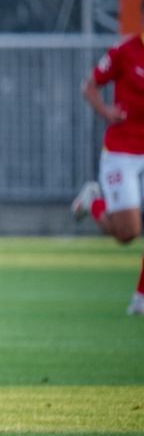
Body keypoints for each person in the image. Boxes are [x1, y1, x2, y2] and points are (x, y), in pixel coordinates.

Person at [71, 21, 144, 315]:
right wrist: (104, 110)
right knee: (128, 233)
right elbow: (88, 85)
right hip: (122, 152)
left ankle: (140, 299)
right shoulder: (124, 51)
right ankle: (93, 202)